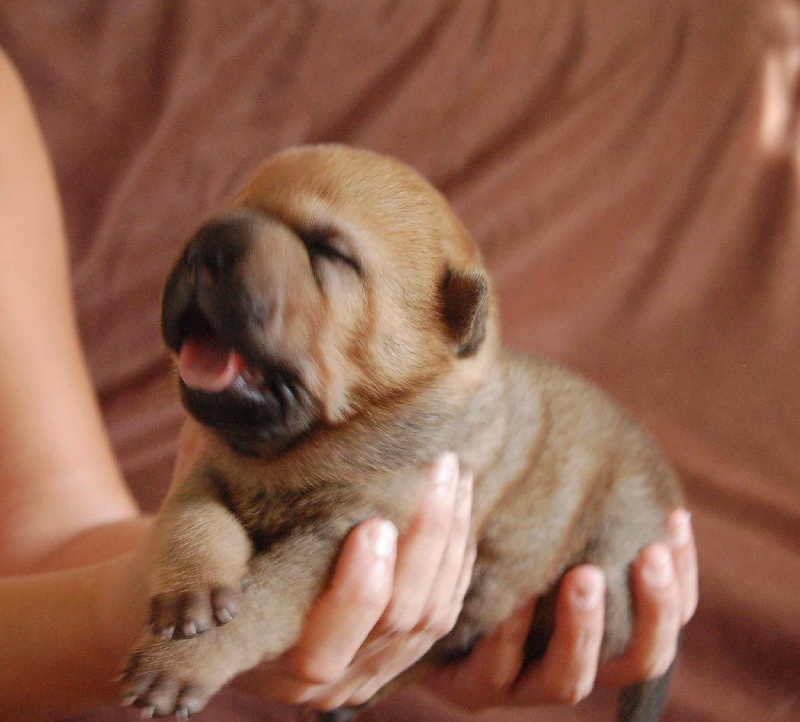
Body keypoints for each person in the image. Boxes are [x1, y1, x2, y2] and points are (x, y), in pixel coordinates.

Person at [0, 50, 697, 718]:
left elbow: (54, 525)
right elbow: (211, 521)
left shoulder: (412, 432)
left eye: (328, 255)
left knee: (619, 593)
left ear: (454, 323)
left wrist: (166, 608)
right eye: (244, 216)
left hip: (585, 539)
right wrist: (140, 606)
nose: (221, 250)